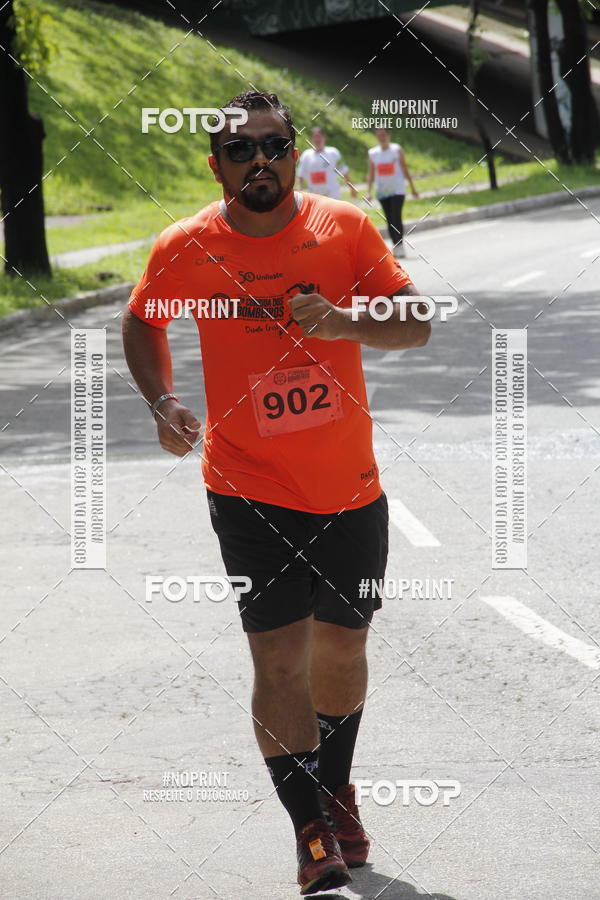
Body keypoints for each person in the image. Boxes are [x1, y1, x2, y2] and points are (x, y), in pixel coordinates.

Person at [122, 90, 430, 896]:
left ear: (295, 153)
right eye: (239, 149)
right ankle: (311, 833)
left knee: (343, 648)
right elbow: (142, 320)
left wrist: (342, 320)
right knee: (280, 659)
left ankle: (337, 788)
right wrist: (162, 402)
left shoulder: (346, 229)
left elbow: (417, 322)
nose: (260, 160)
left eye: (275, 145)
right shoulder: (187, 246)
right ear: (215, 163)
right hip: (247, 488)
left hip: (351, 488)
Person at [367, 127, 419, 258]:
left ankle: (399, 244)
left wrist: (413, 188)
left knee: (396, 216)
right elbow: (371, 173)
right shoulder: (373, 153)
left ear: (389, 135)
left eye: (384, 134)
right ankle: (395, 245)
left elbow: (404, 168)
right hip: (382, 191)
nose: (382, 137)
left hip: (398, 190)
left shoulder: (396, 150)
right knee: (389, 219)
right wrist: (368, 191)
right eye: (379, 135)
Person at [297, 127, 357, 200]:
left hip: (333, 196)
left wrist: (352, 188)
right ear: (311, 139)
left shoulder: (334, 153)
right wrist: (299, 190)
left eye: (319, 136)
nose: (317, 139)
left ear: (324, 138)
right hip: (315, 198)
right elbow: (301, 176)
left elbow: (344, 172)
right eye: (314, 137)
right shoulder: (306, 156)